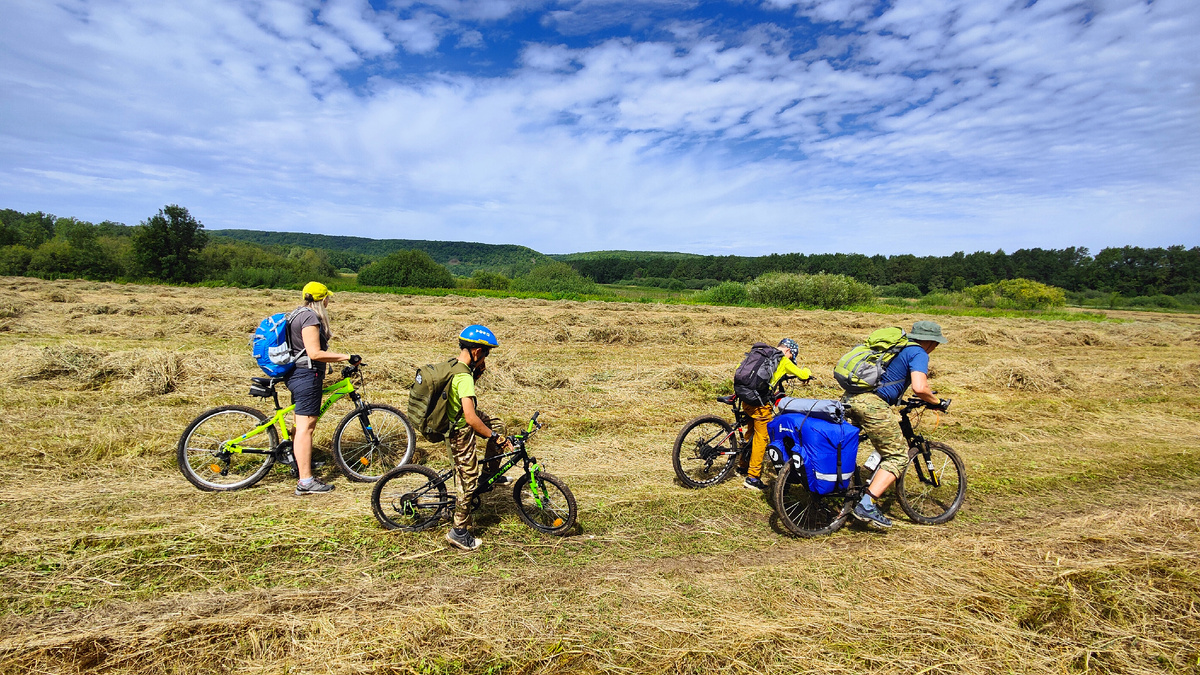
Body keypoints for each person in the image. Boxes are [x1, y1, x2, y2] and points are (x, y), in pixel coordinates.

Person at [844, 320, 949, 529]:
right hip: (872, 405)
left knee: (846, 442)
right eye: (936, 343)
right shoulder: (919, 353)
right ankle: (866, 504)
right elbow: (920, 387)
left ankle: (850, 483)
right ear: (929, 341)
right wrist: (937, 402)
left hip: (851, 397)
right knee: (898, 455)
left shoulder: (895, 348)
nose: (935, 348)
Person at [285, 281, 358, 496]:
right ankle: (305, 481)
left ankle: (301, 464)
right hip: (306, 375)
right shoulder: (309, 317)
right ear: (321, 299)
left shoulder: (296, 313)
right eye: (327, 298)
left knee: (301, 425)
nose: (329, 301)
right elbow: (314, 353)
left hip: (298, 374)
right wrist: (346, 357)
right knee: (306, 427)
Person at [444, 324, 510, 552]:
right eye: (486, 353)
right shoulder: (464, 377)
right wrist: (494, 437)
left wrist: (495, 432)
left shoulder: (458, 366)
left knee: (498, 424)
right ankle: (459, 531)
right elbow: (471, 418)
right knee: (468, 480)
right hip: (459, 428)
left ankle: (491, 474)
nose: (486, 357)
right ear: (476, 351)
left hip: (459, 416)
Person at [740, 338, 813, 491]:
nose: (791, 359)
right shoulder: (782, 360)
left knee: (752, 430)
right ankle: (752, 477)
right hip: (758, 401)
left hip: (744, 394)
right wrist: (808, 374)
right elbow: (802, 374)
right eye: (792, 356)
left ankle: (743, 465)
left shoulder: (762, 353)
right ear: (788, 351)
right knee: (762, 437)